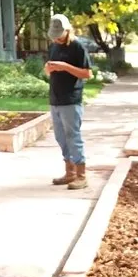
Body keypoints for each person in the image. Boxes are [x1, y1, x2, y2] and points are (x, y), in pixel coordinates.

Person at [45, 13, 93, 189]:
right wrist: (48, 69)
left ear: (67, 30)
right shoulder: (54, 46)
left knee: (73, 136)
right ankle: (70, 172)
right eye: (54, 36)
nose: (56, 39)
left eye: (59, 35)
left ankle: (81, 175)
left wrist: (65, 67)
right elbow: (49, 70)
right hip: (55, 98)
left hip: (71, 99)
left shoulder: (77, 46)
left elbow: (87, 73)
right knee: (60, 137)